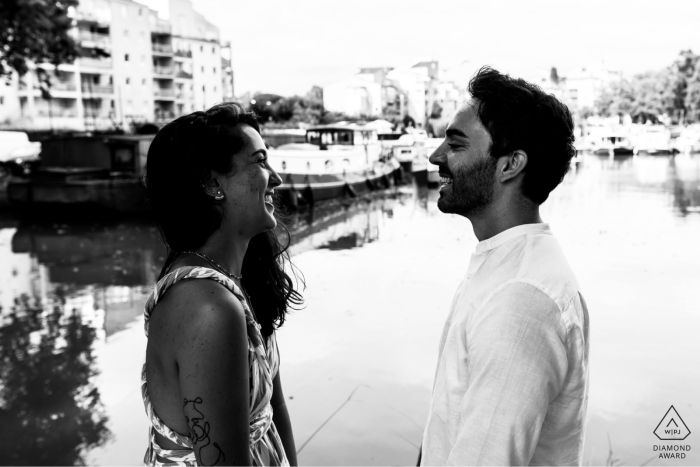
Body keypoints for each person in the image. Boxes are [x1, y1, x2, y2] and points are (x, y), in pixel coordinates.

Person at [420, 67, 590, 466]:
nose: (435, 157)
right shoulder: (503, 261)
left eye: (456, 144)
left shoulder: (522, 298)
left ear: (509, 165)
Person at [142, 102, 302, 466]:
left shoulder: (240, 286)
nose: (275, 178)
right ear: (212, 183)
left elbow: (274, 411)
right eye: (260, 161)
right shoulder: (208, 308)